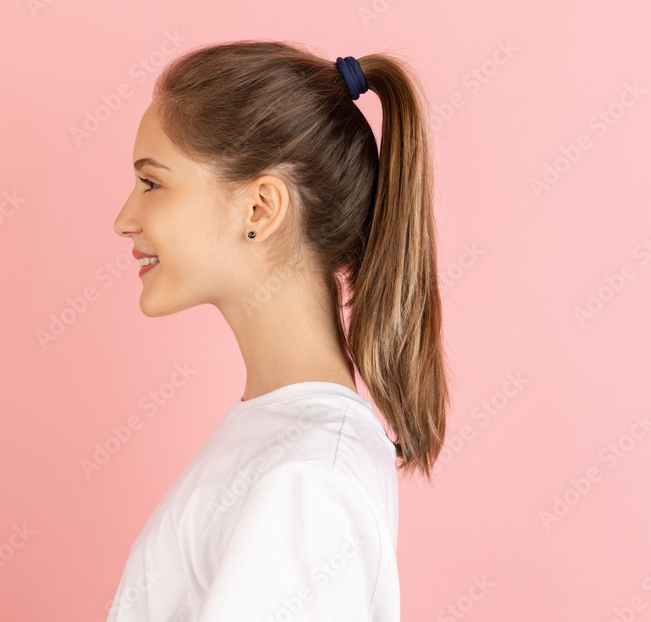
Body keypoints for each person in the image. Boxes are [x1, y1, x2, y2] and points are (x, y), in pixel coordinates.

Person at [108, 39, 449, 621]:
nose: (124, 220)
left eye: (152, 183)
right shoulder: (285, 446)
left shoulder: (308, 479)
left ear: (261, 209)